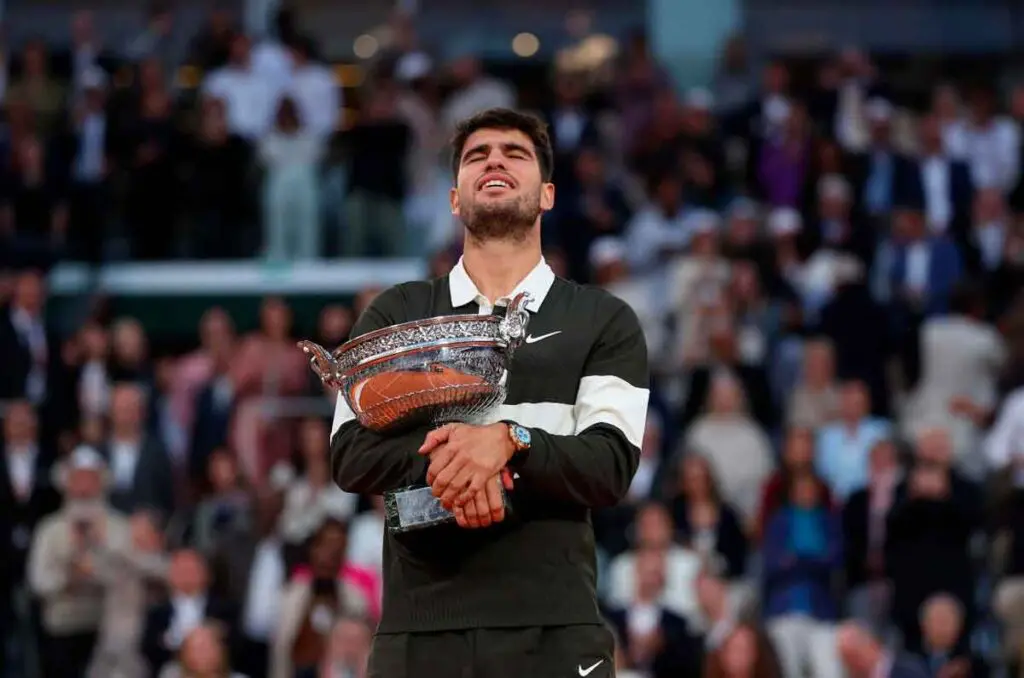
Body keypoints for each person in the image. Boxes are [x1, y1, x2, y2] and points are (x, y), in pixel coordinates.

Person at [329, 108, 650, 678]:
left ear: (547, 194)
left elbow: (610, 464)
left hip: (556, 629)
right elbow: (350, 455)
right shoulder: (396, 312)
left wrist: (510, 443)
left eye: (514, 153)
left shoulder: (603, 319)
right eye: (477, 156)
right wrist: (459, 457)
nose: (494, 160)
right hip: (419, 632)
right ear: (455, 198)